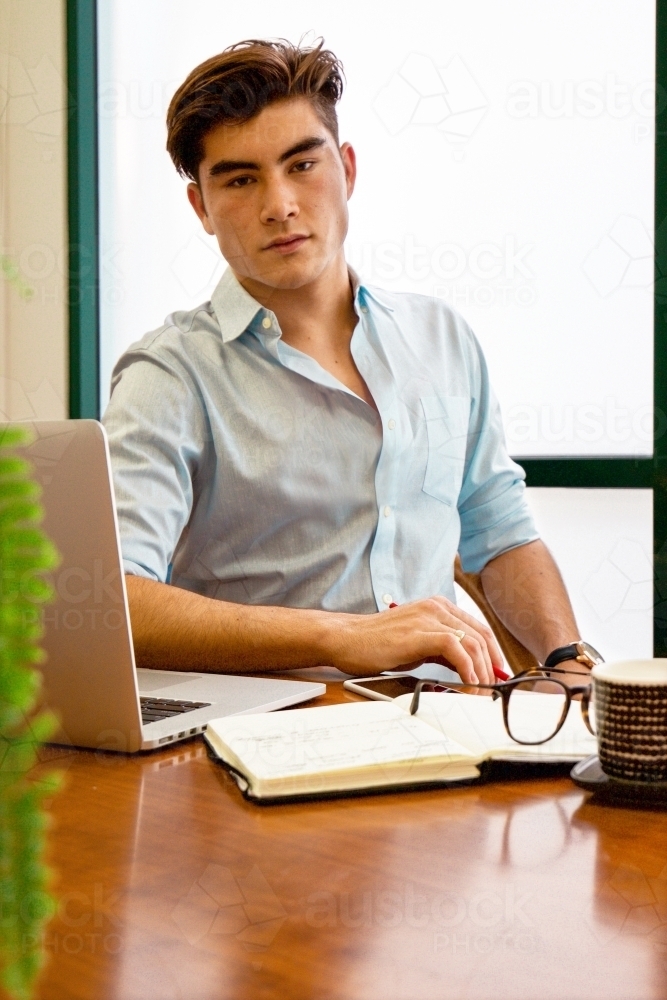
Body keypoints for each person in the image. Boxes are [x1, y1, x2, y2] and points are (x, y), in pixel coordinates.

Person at [103, 38, 594, 686]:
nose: (278, 204)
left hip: (449, 726)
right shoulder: (168, 377)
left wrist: (569, 663)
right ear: (201, 207)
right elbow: (117, 604)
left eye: (301, 165)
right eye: (241, 179)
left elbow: (498, 536)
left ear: (347, 170)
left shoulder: (440, 339)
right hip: (263, 745)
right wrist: (342, 637)